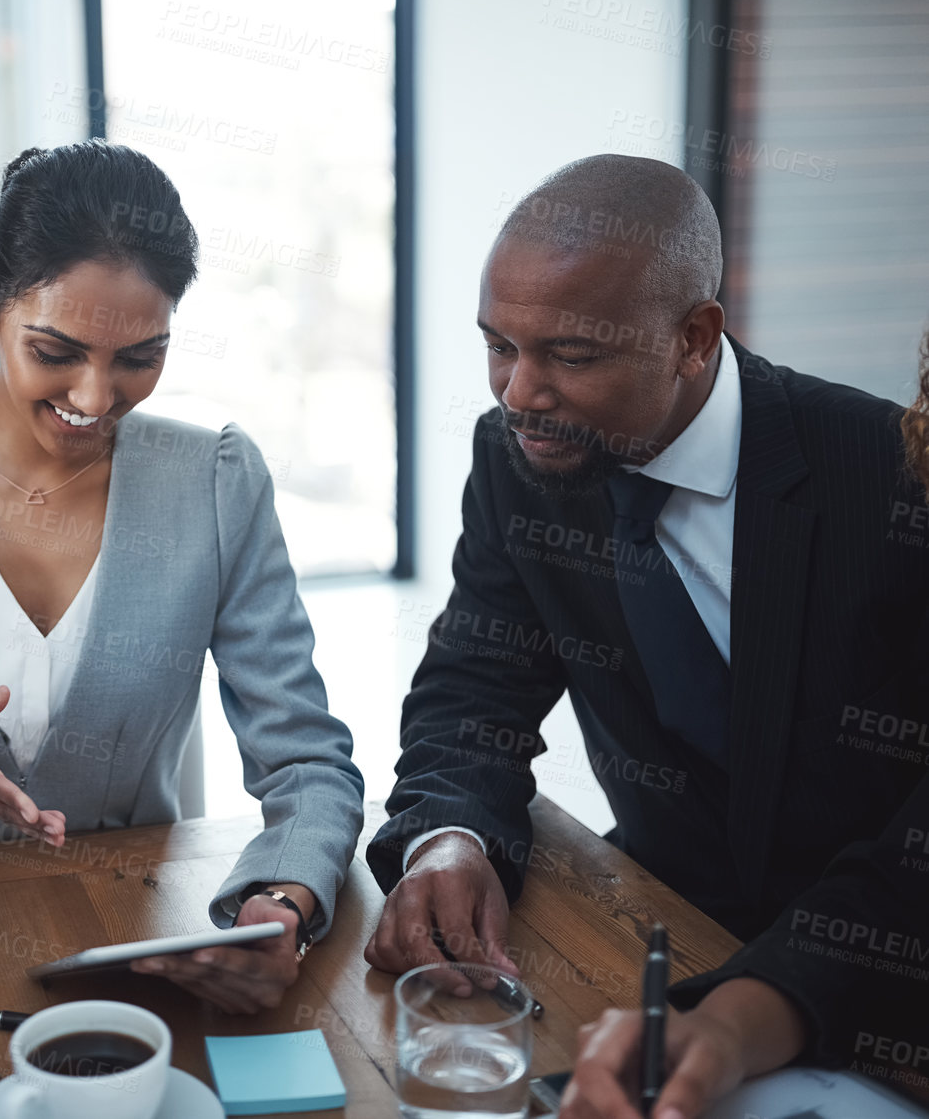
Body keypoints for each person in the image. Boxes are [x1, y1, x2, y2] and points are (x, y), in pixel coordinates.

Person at [362, 154, 929, 1116]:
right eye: (498, 344)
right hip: (647, 927)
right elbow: (474, 684)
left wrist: (758, 1004)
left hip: (869, 979)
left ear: (693, 338)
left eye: (569, 356)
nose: (516, 391)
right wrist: (447, 840)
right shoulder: (514, 454)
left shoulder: (889, 473)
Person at [0, 142, 365, 1014]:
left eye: (140, 355)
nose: (95, 396)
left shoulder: (213, 481)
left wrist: (283, 904)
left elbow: (310, 762)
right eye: (57, 349)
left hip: (142, 949)